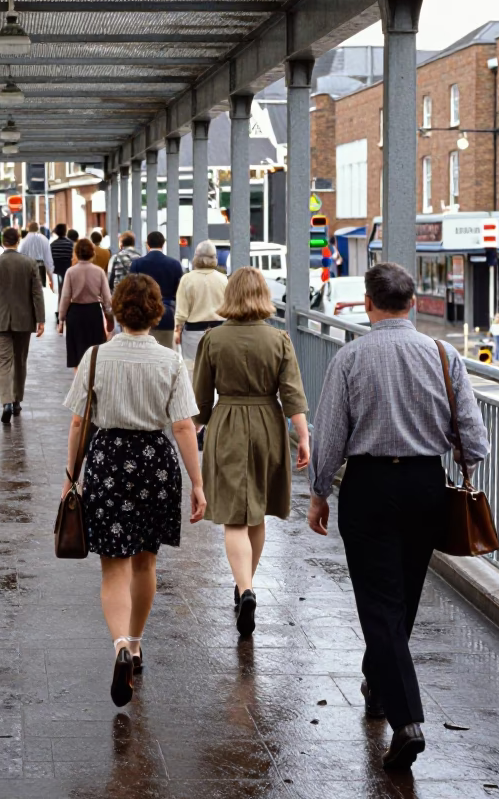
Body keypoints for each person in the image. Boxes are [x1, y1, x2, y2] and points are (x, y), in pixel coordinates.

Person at [308, 262, 487, 771]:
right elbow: (474, 442)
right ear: (411, 303)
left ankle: (406, 721)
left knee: (379, 602)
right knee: (402, 598)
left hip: (368, 487)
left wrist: (320, 493)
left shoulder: (350, 358)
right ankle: (378, 684)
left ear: (368, 303)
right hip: (426, 487)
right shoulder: (443, 353)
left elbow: (330, 436)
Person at [62, 273, 205, 708]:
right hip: (155, 463)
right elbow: (183, 425)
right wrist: (197, 482)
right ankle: (138, 643)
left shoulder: (95, 356)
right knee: (146, 562)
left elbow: (78, 421)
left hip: (107, 462)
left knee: (114, 568)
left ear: (117, 310)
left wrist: (72, 476)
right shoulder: (170, 361)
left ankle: (119, 643)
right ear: (156, 310)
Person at [192, 267, 310, 640]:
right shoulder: (279, 340)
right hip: (266, 425)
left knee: (233, 517)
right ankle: (246, 585)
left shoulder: (212, 340)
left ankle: (244, 588)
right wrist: (304, 438)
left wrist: (195, 429)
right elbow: (292, 394)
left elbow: (200, 401)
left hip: (227, 422)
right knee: (256, 510)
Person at [0, 226, 46, 424]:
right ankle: (17, 401)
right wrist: (40, 319)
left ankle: (6, 401)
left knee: (4, 362)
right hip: (24, 320)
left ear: (2, 242)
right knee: (20, 361)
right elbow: (37, 293)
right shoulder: (29, 263)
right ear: (18, 241)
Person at [58, 237, 113, 369]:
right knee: (94, 353)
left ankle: (79, 384)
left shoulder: (70, 272)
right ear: (92, 253)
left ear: (76, 253)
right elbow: (107, 298)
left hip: (75, 314)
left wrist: (61, 319)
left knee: (77, 354)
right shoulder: (99, 272)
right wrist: (109, 317)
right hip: (93, 313)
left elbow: (65, 297)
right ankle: (91, 383)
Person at [173, 240, 229, 367]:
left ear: (196, 257)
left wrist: (177, 330)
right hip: (219, 331)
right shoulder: (223, 279)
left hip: (193, 334)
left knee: (193, 370)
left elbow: (181, 312)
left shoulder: (187, 279)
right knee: (218, 369)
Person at [128, 232, 183, 350]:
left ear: (147, 244)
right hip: (167, 314)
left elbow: (131, 290)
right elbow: (179, 292)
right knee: (166, 351)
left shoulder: (137, 264)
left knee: (144, 353)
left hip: (143, 314)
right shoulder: (174, 264)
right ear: (163, 244)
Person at [20, 220, 55, 291]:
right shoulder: (44, 239)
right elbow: (48, 259)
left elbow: (20, 257)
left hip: (27, 268)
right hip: (40, 268)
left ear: (28, 229)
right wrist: (50, 276)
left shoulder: (24, 241)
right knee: (41, 292)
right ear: (38, 228)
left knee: (28, 291)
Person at [50, 223, 75, 298]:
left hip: (56, 271)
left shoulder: (52, 245)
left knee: (59, 292)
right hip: (68, 269)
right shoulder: (71, 244)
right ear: (65, 231)